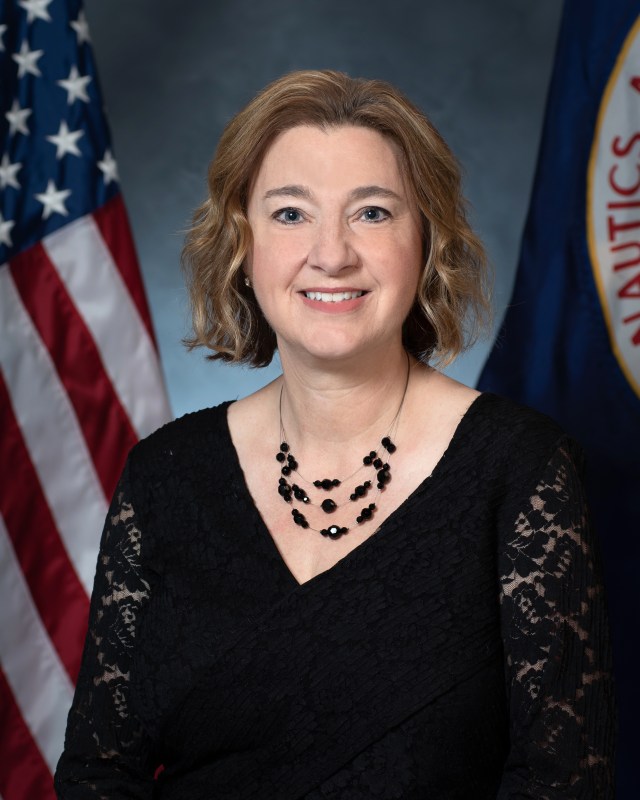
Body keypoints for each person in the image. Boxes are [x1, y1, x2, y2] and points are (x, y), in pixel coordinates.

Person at [54, 70, 615, 799]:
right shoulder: (164, 477)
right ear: (241, 245)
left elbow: (562, 784)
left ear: (428, 242)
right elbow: (100, 772)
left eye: (373, 214)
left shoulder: (523, 471)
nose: (332, 253)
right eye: (290, 214)